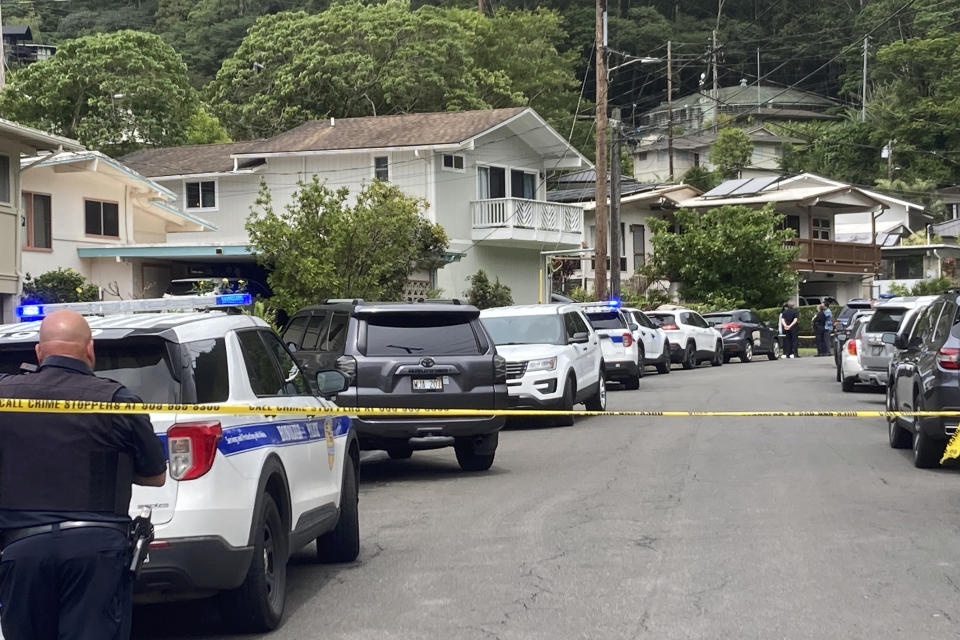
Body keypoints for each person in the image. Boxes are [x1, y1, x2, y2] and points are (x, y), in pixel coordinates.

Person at [0, 310, 166, 640]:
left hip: (21, 550)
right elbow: (156, 475)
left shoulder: (4, 396)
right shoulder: (117, 401)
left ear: (39, 351)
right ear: (89, 349)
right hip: (95, 551)